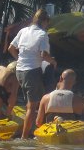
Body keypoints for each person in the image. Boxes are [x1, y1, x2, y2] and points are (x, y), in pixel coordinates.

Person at [8, 8, 57, 139]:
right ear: (45, 21)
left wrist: (19, 59)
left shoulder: (23, 31)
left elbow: (11, 48)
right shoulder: (42, 34)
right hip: (32, 71)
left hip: (19, 70)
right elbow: (44, 54)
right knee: (32, 106)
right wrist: (53, 62)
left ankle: (29, 130)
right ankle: (25, 136)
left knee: (29, 103)